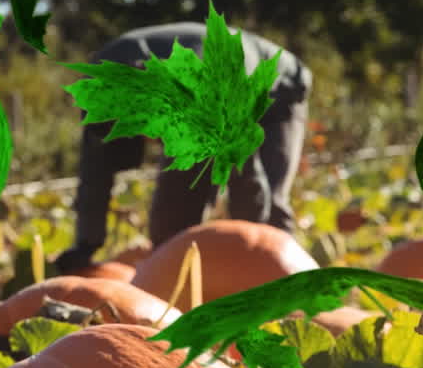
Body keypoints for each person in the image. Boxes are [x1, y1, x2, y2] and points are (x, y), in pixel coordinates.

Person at [55, 22, 314, 274]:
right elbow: (94, 173)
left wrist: (254, 245)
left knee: (271, 211)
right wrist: (86, 245)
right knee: (170, 227)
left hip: (279, 93)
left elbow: (247, 180)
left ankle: (285, 287)